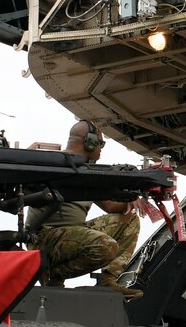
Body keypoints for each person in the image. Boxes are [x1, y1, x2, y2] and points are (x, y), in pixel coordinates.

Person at [33, 120, 141, 297]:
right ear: (90, 142)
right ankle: (54, 274)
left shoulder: (88, 172)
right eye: (101, 144)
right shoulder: (55, 164)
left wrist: (132, 199)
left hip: (74, 233)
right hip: (46, 237)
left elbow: (111, 206)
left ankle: (108, 280)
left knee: (129, 220)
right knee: (105, 246)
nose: (101, 150)